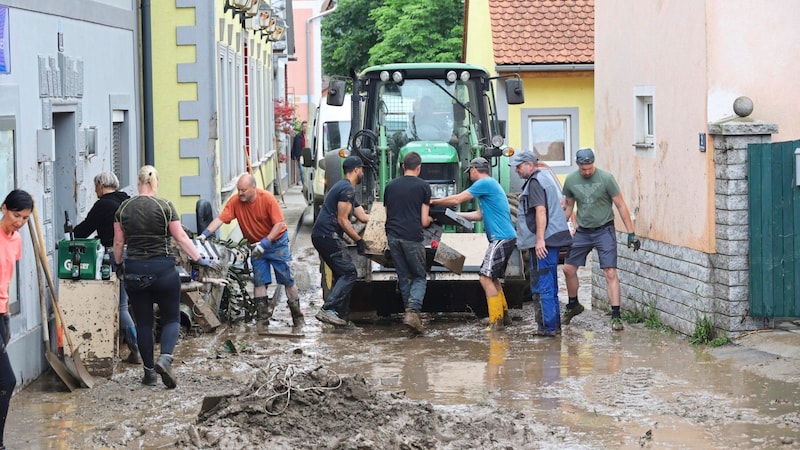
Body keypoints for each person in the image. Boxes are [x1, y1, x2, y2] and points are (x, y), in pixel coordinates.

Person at [113, 166, 210, 388]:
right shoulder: (165, 206)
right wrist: (198, 258)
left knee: (144, 323)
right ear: (155, 183)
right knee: (172, 318)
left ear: (139, 182)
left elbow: (119, 243)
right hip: (164, 271)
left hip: (135, 272)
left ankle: (149, 373)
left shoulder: (123, 208)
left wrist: (118, 264)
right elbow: (182, 238)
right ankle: (165, 358)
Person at [197, 173, 304, 329]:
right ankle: (262, 320)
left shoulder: (267, 199)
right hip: (255, 245)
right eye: (238, 190)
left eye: (243, 190)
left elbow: (279, 224)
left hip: (276, 243)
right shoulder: (235, 202)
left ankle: (298, 318)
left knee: (287, 280)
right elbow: (220, 219)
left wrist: (265, 243)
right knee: (259, 282)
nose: (240, 193)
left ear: (253, 187)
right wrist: (205, 235)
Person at [431, 157, 517, 330]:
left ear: (474, 169)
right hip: (505, 237)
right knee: (493, 278)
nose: (469, 174)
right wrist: (454, 216)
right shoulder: (490, 185)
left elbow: (456, 200)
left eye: (469, 170)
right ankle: (504, 317)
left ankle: (496, 322)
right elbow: (479, 215)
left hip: (501, 237)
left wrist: (433, 201)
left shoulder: (483, 183)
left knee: (484, 278)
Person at [561, 148, 640, 331]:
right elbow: (568, 207)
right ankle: (573, 305)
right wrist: (558, 229)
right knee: (567, 269)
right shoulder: (571, 180)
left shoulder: (606, 178)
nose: (587, 172)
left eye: (589, 168)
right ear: (578, 164)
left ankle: (616, 316)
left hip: (604, 230)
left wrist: (631, 232)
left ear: (593, 163)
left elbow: (620, 205)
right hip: (582, 232)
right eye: (583, 169)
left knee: (610, 272)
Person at [73, 172, 139, 364]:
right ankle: (129, 347)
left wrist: (67, 237)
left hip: (115, 255)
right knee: (128, 303)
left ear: (101, 185)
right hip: (134, 254)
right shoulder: (127, 200)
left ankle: (136, 351)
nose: (95, 191)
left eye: (95, 187)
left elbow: (85, 229)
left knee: (120, 306)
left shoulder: (103, 204)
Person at [511, 152, 573, 336]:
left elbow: (540, 211)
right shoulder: (543, 178)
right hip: (552, 238)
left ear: (530, 164)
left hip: (544, 241)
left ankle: (549, 329)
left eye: (519, 166)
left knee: (543, 284)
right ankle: (552, 327)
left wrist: (539, 240)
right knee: (549, 283)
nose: (516, 169)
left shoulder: (536, 182)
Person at [311, 155, 370, 327]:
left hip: (322, 235)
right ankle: (328, 309)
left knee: (341, 274)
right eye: (362, 171)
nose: (362, 174)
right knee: (349, 273)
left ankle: (341, 319)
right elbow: (343, 220)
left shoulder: (345, 188)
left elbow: (362, 216)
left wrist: (384, 218)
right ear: (357, 170)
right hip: (327, 235)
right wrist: (358, 240)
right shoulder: (347, 189)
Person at [383, 151, 432, 334]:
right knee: (419, 276)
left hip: (393, 237)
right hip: (412, 236)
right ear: (419, 168)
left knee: (404, 277)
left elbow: (388, 214)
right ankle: (413, 312)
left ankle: (410, 319)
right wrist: (433, 220)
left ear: (403, 166)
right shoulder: (423, 187)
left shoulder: (390, 186)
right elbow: (424, 221)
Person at [0, 190, 32, 449]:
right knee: (7, 380)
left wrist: (7, 313)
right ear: (3, 209)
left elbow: (6, 279)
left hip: (2, 313)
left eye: (25, 218)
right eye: (15, 215)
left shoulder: (17, 240)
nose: (19, 221)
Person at [291, 121, 307, 185]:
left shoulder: (312, 135)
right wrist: (293, 155)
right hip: (301, 156)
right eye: (303, 126)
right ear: (301, 128)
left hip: (309, 156)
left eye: (306, 126)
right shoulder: (298, 136)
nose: (305, 128)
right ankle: (304, 185)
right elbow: (294, 146)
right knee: (302, 171)